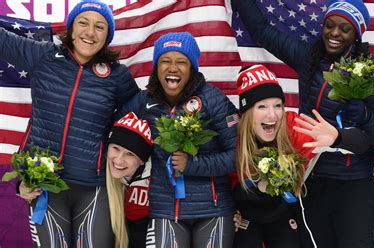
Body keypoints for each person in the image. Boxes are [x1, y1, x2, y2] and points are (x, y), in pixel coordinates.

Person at [231, 0, 374, 247]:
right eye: (329, 25)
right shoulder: (310, 58)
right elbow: (263, 31)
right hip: (311, 181)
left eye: (345, 28)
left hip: (355, 186)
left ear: (357, 35)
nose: (335, 33)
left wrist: (363, 117)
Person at [3, 0, 140, 246]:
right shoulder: (44, 56)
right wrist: (22, 181)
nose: (90, 32)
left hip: (94, 187)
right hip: (45, 183)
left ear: (107, 36)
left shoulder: (117, 76)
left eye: (99, 27)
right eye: (83, 23)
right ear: (71, 28)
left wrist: (131, 163)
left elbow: (141, 118)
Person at [232, 64, 372, 248]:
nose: (272, 115)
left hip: (284, 216)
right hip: (246, 217)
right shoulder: (233, 135)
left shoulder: (293, 128)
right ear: (248, 112)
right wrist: (228, 210)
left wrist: (337, 138)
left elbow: (362, 143)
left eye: (278, 105)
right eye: (262, 106)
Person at [120, 32, 237, 248]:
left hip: (213, 210)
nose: (172, 68)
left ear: (192, 68)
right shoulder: (144, 101)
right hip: (164, 210)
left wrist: (192, 165)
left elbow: (239, 155)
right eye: (165, 61)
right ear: (156, 67)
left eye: (181, 62)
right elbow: (116, 131)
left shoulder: (214, 100)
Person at [106, 112, 153, 248]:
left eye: (130, 154)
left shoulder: (154, 183)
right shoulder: (100, 173)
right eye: (115, 148)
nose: (119, 160)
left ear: (141, 161)